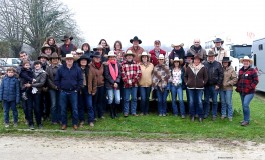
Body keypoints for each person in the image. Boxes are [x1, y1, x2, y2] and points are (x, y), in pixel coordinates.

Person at [55, 54, 83, 130]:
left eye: (71, 59)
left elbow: (80, 80)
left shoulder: (77, 69)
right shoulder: (60, 69)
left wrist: (77, 89)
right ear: (65, 60)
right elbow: (56, 80)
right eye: (68, 59)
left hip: (73, 92)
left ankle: (75, 124)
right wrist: (60, 88)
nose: (69, 60)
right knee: (63, 109)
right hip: (63, 92)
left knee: (75, 109)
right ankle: (64, 124)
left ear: (73, 60)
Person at [236, 56, 259, 126]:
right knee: (244, 106)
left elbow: (256, 81)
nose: (246, 62)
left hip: (250, 92)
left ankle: (247, 121)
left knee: (245, 104)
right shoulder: (240, 70)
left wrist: (249, 87)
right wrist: (237, 86)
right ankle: (245, 119)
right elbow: (239, 80)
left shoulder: (253, 70)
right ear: (243, 62)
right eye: (244, 61)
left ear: (249, 62)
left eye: (247, 61)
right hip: (242, 91)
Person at [184, 55, 208, 122]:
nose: (196, 61)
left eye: (198, 60)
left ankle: (200, 116)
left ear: (200, 61)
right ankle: (192, 115)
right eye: (195, 60)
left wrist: (203, 83)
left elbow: (206, 77)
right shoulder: (189, 67)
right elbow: (185, 76)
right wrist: (187, 82)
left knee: (199, 102)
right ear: (193, 60)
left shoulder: (203, 68)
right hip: (190, 87)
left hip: (199, 88)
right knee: (191, 102)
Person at [24, 60, 47, 129]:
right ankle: (31, 124)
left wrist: (31, 85)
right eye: (35, 64)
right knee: (29, 108)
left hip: (38, 92)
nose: (37, 65)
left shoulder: (43, 73)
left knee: (37, 108)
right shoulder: (31, 71)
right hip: (29, 92)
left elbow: (41, 83)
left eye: (38, 64)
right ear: (34, 65)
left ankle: (39, 123)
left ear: (41, 65)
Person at [203, 50, 223, 120]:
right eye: (209, 56)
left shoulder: (218, 64)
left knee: (214, 101)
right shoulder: (204, 64)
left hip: (215, 86)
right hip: (206, 86)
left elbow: (221, 75)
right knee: (206, 100)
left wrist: (218, 84)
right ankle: (206, 113)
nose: (210, 58)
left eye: (212, 56)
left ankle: (214, 114)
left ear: (214, 57)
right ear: (207, 57)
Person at [121, 50, 142, 117]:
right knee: (126, 99)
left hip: (134, 84)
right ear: (126, 57)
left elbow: (139, 74)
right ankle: (126, 112)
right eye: (128, 55)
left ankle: (133, 112)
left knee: (134, 98)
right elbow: (122, 74)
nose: (129, 57)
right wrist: (127, 81)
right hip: (126, 84)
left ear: (132, 57)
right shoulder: (123, 65)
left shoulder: (136, 64)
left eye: (131, 55)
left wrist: (133, 81)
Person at [77, 55, 95, 127]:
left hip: (88, 89)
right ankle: (81, 120)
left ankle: (91, 120)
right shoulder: (77, 69)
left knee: (89, 105)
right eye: (82, 60)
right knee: (80, 106)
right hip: (80, 90)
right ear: (80, 62)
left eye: (85, 60)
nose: (83, 61)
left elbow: (94, 80)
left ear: (87, 62)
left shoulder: (90, 69)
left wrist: (93, 90)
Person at [104, 51, 121, 119]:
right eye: (110, 57)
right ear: (108, 57)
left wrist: (116, 82)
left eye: (113, 57)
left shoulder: (118, 64)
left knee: (117, 99)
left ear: (114, 57)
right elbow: (106, 75)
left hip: (116, 84)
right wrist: (113, 82)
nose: (112, 58)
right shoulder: (106, 65)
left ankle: (115, 111)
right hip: (109, 84)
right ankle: (111, 112)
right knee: (110, 99)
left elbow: (119, 74)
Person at [46, 52, 62, 124]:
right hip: (52, 88)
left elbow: (64, 77)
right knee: (53, 104)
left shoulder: (61, 67)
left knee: (60, 104)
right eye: (53, 59)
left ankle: (60, 119)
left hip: (60, 88)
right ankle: (54, 119)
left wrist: (59, 86)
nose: (55, 60)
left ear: (58, 59)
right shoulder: (48, 68)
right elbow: (48, 79)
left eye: (56, 59)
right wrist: (54, 86)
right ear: (51, 60)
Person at [88, 52, 105, 120]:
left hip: (101, 85)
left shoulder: (102, 65)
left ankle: (100, 114)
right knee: (94, 101)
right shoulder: (90, 66)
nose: (97, 59)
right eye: (96, 57)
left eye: (98, 58)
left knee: (100, 101)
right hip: (94, 86)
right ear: (93, 58)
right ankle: (94, 115)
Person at [220, 57, 237, 121]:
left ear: (228, 62)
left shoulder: (231, 69)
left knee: (228, 102)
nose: (225, 63)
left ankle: (230, 115)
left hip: (228, 88)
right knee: (223, 102)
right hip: (221, 88)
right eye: (224, 62)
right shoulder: (221, 69)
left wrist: (228, 83)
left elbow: (235, 79)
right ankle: (223, 114)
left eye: (226, 62)